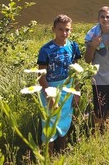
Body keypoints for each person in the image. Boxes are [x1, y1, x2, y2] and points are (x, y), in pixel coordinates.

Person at [37, 14, 82, 153]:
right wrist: (49, 96)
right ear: (53, 29)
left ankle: (61, 152)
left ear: (71, 30)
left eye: (67, 29)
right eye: (60, 29)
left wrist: (77, 92)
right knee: (49, 123)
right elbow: (41, 76)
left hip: (67, 89)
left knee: (64, 121)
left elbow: (76, 71)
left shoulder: (73, 46)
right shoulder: (46, 50)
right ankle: (48, 156)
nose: (64, 33)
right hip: (49, 88)